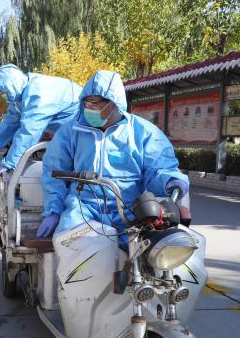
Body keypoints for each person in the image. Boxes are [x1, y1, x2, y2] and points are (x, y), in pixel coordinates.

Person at [37, 70, 189, 240]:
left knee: (151, 255)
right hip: (82, 209)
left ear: (113, 103)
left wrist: (170, 181)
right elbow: (54, 171)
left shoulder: (143, 132)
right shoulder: (71, 130)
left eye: (95, 104)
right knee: (71, 247)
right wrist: (53, 211)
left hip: (132, 211)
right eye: (86, 103)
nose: (89, 109)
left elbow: (160, 168)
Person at [0, 64, 82, 174]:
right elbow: (11, 121)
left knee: (69, 172)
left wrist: (10, 163)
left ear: (12, 85)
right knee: (55, 171)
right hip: (67, 134)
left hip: (79, 131)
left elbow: (29, 132)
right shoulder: (22, 94)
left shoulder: (38, 94)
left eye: (6, 91)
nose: (5, 95)